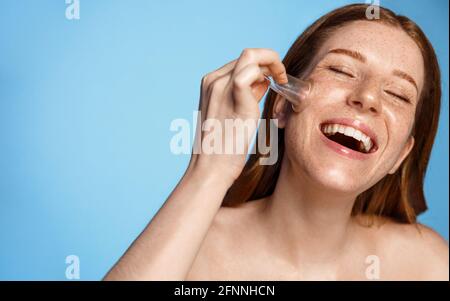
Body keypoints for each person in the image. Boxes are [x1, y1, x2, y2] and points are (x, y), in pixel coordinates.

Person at [104, 4, 449, 280]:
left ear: (400, 155)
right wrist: (209, 171)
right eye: (341, 71)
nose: (368, 97)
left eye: (397, 94)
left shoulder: (426, 265)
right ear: (282, 105)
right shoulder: (189, 252)